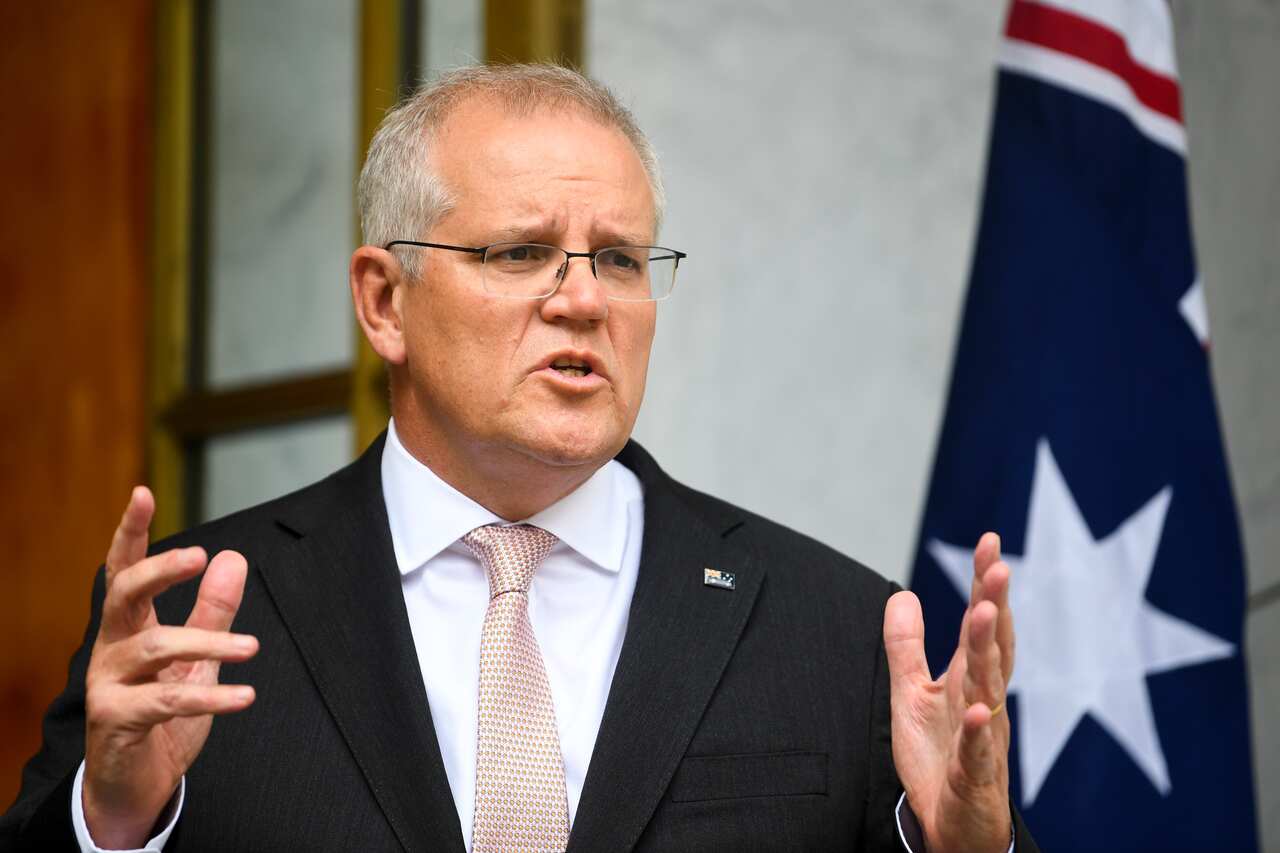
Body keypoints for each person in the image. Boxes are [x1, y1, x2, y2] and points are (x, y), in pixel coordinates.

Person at [1, 64, 1036, 852]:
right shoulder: (195, 624)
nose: (582, 298)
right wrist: (115, 821)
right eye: (520, 252)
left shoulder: (834, 628)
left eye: (620, 259)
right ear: (382, 300)